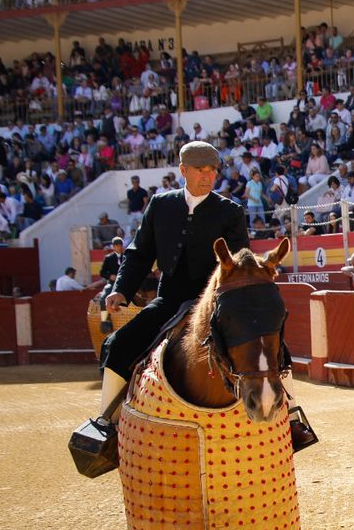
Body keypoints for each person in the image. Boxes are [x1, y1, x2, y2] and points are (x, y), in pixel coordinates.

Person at [97, 141, 250, 412]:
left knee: (268, 346)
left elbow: (238, 264)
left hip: (216, 305)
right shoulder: (160, 205)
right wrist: (121, 289)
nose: (208, 176)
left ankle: (292, 416)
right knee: (116, 345)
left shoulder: (230, 212)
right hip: (169, 301)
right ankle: (106, 421)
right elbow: (140, 253)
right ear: (183, 170)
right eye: (200, 169)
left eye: (212, 170)